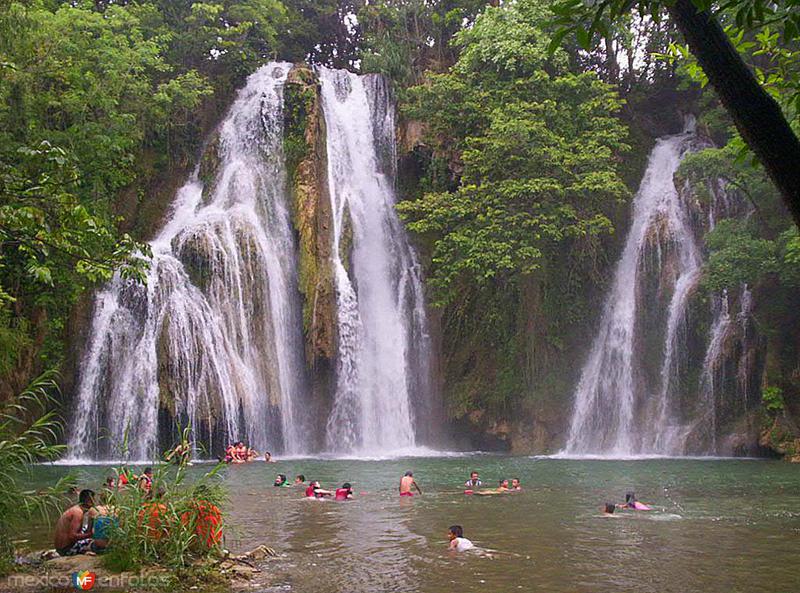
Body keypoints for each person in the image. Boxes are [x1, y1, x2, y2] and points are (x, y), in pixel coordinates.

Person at [53, 489, 95, 556]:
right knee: (95, 543)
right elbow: (72, 536)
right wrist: (90, 534)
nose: (95, 503)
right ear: (89, 501)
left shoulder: (76, 509)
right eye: (94, 500)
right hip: (66, 550)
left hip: (61, 547)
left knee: (86, 527)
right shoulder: (78, 513)